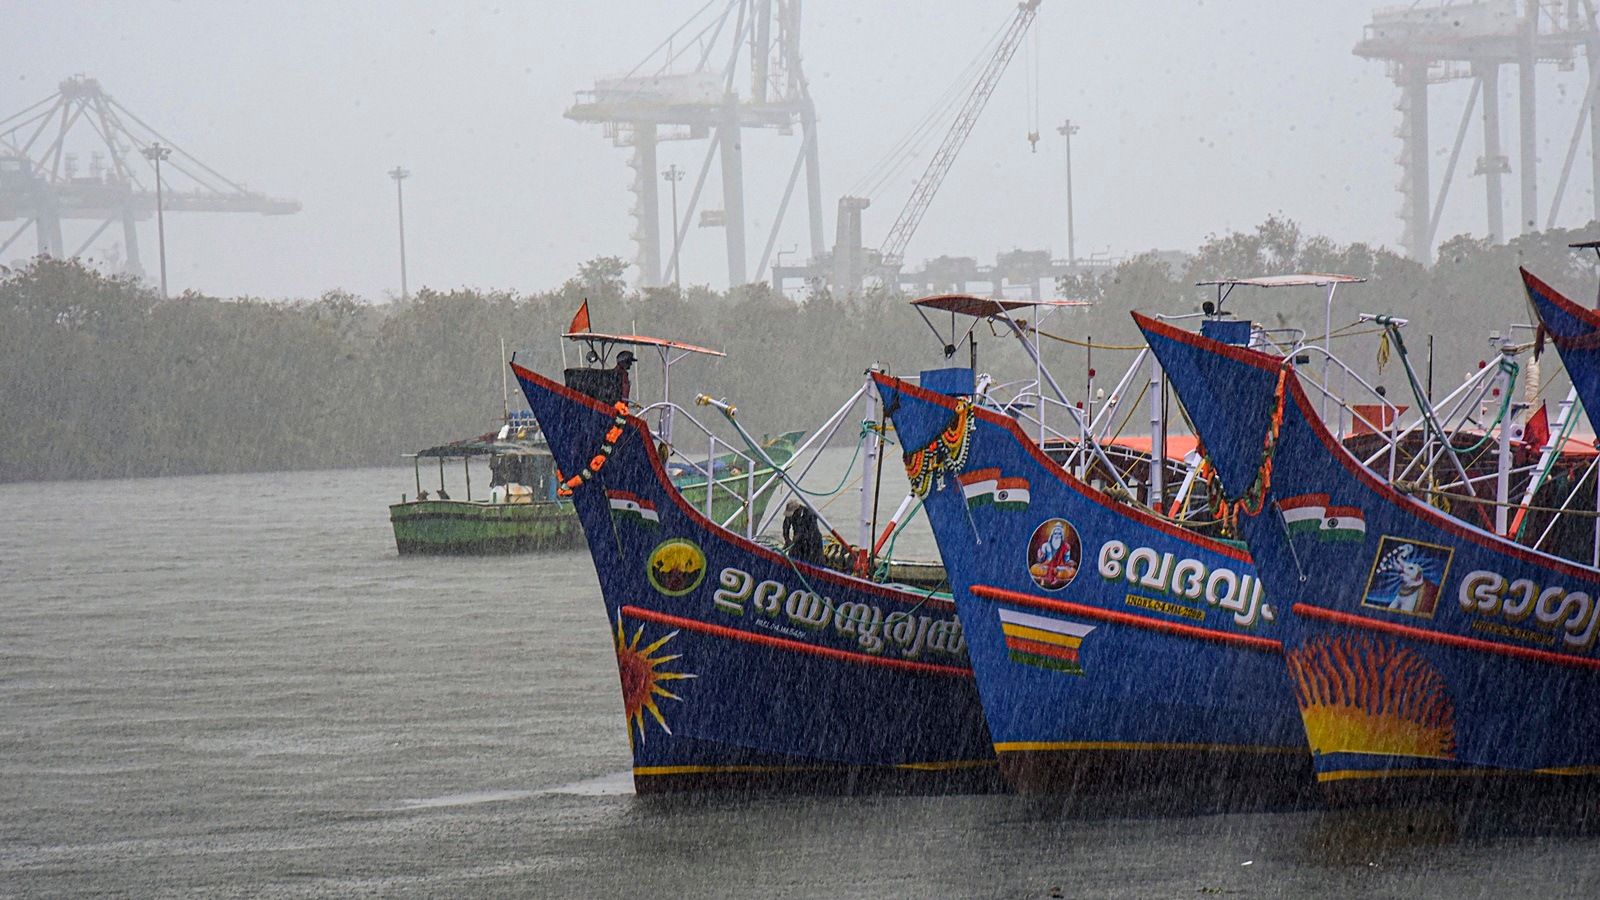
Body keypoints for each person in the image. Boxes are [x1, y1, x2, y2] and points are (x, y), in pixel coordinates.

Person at [782, 499, 824, 565]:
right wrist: (787, 538)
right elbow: (786, 526)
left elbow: (812, 531)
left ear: (797, 510)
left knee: (814, 560)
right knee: (792, 556)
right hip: (798, 542)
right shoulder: (790, 515)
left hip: (812, 541)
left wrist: (800, 535)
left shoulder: (810, 514)